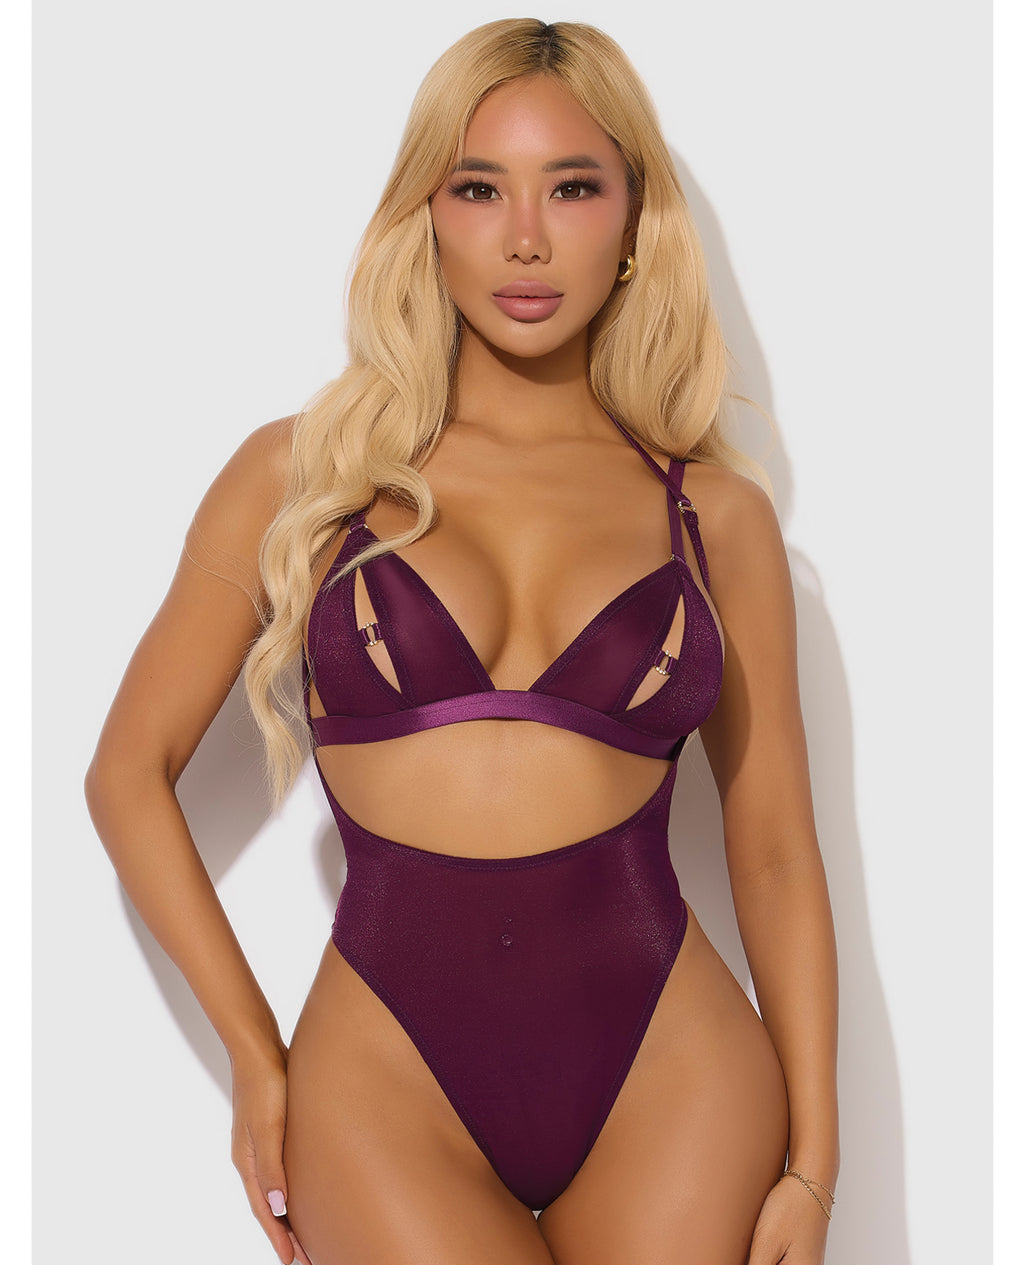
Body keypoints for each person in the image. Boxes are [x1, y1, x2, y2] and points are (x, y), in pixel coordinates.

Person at [85, 18, 839, 1265]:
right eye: (479, 188)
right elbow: (127, 773)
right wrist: (255, 1058)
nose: (525, 237)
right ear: (425, 216)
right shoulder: (302, 475)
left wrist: (813, 1163)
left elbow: (771, 855)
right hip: (386, 1079)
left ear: (633, 221)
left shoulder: (713, 515)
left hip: (671, 1072)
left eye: (572, 188)